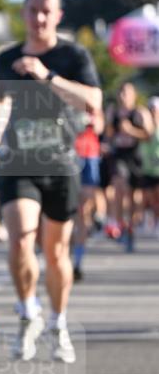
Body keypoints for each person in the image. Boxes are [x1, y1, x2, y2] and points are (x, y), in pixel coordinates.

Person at [0, 0, 102, 363]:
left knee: (56, 254)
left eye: (46, 11)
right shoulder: (5, 58)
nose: (38, 17)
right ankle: (27, 314)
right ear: (23, 13)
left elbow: (93, 101)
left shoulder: (73, 55)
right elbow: (0, 108)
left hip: (59, 163)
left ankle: (58, 321)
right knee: (21, 238)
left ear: (57, 16)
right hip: (18, 164)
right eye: (32, 9)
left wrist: (47, 75)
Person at [104, 81, 152, 249]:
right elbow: (108, 135)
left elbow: (148, 135)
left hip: (135, 156)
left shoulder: (139, 113)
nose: (123, 96)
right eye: (121, 93)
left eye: (126, 93)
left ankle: (130, 228)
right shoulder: (113, 112)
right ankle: (118, 224)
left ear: (134, 95)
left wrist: (131, 130)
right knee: (118, 185)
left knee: (133, 196)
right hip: (119, 155)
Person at [72, 108, 105, 281]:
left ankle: (77, 261)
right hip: (68, 156)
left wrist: (89, 119)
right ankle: (65, 257)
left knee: (82, 210)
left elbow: (99, 127)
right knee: (67, 213)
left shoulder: (92, 102)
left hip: (89, 156)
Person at [140, 96, 159, 230]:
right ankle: (153, 220)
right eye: (151, 109)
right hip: (147, 168)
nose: (153, 112)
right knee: (151, 199)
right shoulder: (145, 127)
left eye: (155, 109)